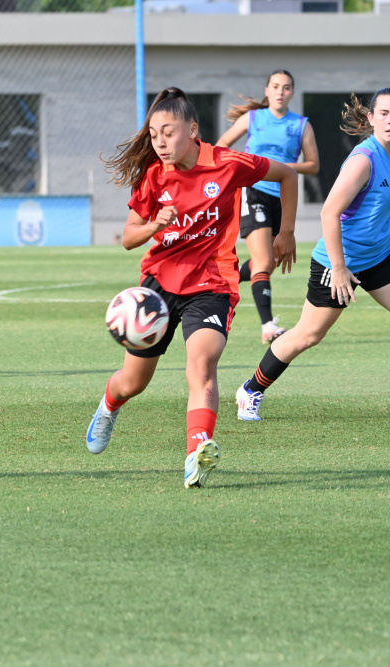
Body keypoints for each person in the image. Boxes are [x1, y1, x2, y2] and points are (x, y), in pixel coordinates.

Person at [86, 88, 298, 488]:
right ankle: (110, 405)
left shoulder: (227, 163)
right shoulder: (153, 176)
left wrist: (285, 232)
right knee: (134, 381)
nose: (160, 142)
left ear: (193, 129)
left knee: (201, 367)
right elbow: (130, 237)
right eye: (153, 134)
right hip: (160, 285)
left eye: (168, 132)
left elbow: (286, 175)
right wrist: (155, 225)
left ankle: (196, 454)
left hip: (212, 283)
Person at [236, 89, 390, 421]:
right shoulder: (364, 160)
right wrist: (338, 268)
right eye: (385, 113)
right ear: (371, 118)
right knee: (309, 335)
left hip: (378, 257)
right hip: (339, 261)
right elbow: (328, 213)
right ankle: (250, 390)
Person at [217, 70, 320, 343]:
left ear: (292, 94)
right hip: (254, 192)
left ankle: (220, 281)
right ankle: (268, 327)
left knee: (271, 262)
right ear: (267, 90)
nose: (280, 91)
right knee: (263, 261)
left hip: (283, 196)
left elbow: (313, 165)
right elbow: (222, 146)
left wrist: (282, 169)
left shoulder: (301, 125)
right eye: (275, 86)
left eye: (286, 87)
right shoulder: (252, 118)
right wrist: (241, 168)